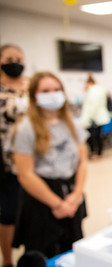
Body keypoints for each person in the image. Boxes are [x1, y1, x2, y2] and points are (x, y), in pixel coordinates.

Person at [10, 71, 88, 259]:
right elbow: (25, 174)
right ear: (34, 95)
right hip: (41, 197)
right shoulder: (25, 128)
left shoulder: (72, 124)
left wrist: (75, 196)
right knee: (43, 252)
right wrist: (58, 204)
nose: (52, 93)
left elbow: (82, 161)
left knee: (72, 249)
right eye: (45, 90)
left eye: (56, 89)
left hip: (70, 194)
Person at [0, 44, 29, 267]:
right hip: (6, 162)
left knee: (33, 211)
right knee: (8, 213)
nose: (15, 62)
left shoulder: (32, 86)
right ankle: (8, 259)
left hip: (35, 159)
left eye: (19, 58)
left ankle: (34, 255)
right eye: (10, 58)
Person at [80, 73, 110, 159]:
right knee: (97, 136)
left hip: (94, 118)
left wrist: (88, 118)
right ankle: (98, 152)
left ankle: (96, 153)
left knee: (93, 137)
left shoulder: (93, 91)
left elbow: (93, 106)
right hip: (98, 117)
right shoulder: (99, 90)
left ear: (89, 84)